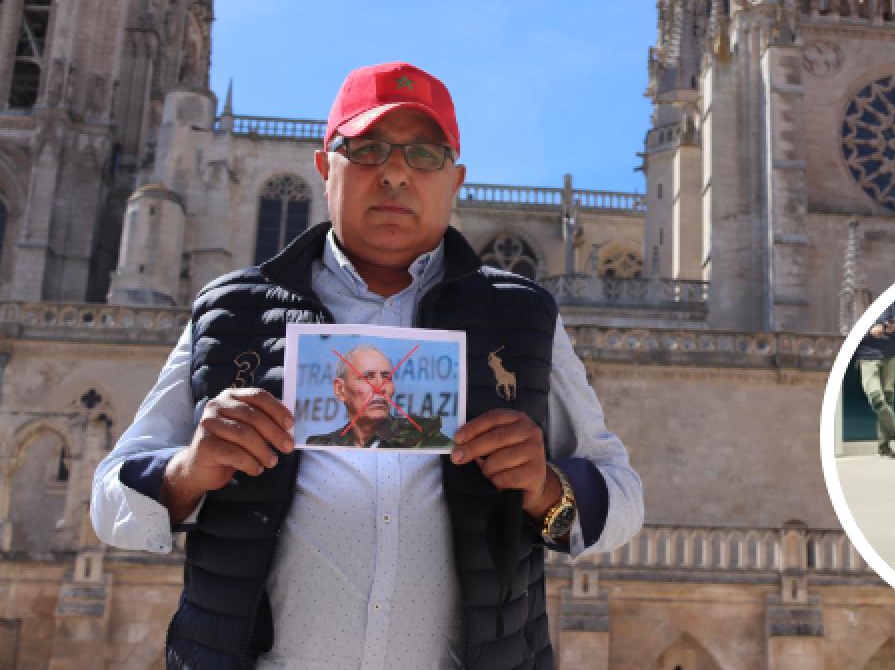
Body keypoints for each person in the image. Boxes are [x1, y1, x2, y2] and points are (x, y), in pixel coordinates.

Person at [90, 61, 644, 670]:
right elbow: (108, 502)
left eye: (425, 155)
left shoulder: (524, 318)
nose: (396, 173)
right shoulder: (229, 312)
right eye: (368, 148)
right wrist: (186, 472)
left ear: (455, 179)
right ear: (325, 167)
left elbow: (620, 497)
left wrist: (545, 488)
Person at [304, 344, 453, 449]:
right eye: (367, 377)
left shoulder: (423, 436)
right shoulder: (321, 445)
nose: (379, 387)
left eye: (387, 377)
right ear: (340, 389)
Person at [855, 302, 895, 458]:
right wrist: (870, 331)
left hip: (890, 356)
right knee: (876, 399)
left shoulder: (889, 304)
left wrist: (893, 329)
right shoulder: (856, 303)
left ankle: (884, 446)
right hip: (867, 357)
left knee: (888, 398)